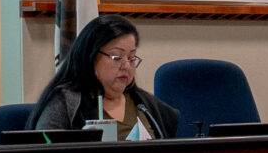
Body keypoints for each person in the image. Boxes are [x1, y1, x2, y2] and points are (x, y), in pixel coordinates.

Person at [31, 13, 181, 141]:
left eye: (131, 58)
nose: (126, 66)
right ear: (90, 57)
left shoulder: (146, 106)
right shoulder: (65, 104)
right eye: (117, 57)